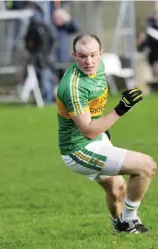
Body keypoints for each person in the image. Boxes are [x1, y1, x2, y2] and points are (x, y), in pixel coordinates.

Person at [57, 34, 156, 233]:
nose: (89, 61)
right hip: (78, 149)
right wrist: (121, 108)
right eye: (82, 56)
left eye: (93, 55)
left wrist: (105, 128)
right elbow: (88, 130)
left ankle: (118, 227)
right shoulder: (73, 87)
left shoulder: (99, 68)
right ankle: (129, 220)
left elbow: (93, 112)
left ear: (101, 53)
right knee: (147, 166)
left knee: (117, 189)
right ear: (73, 55)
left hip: (95, 138)